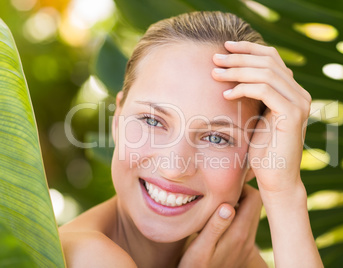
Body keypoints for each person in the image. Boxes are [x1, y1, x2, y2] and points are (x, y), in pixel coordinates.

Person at [59, 11, 323, 267]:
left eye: (217, 138)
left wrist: (283, 194)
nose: (174, 168)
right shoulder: (92, 258)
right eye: (153, 121)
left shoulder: (230, 256)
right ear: (117, 120)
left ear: (253, 160)